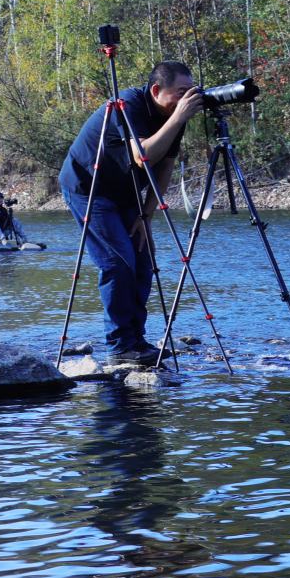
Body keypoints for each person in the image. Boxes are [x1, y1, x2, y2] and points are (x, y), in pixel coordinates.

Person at [59, 60, 203, 365]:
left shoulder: (173, 115)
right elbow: (143, 155)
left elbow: (163, 167)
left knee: (141, 259)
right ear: (156, 90)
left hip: (125, 192)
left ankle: (136, 340)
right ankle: (120, 345)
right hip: (88, 187)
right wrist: (177, 118)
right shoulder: (128, 105)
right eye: (181, 91)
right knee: (117, 261)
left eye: (190, 91)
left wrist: (146, 216)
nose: (187, 98)